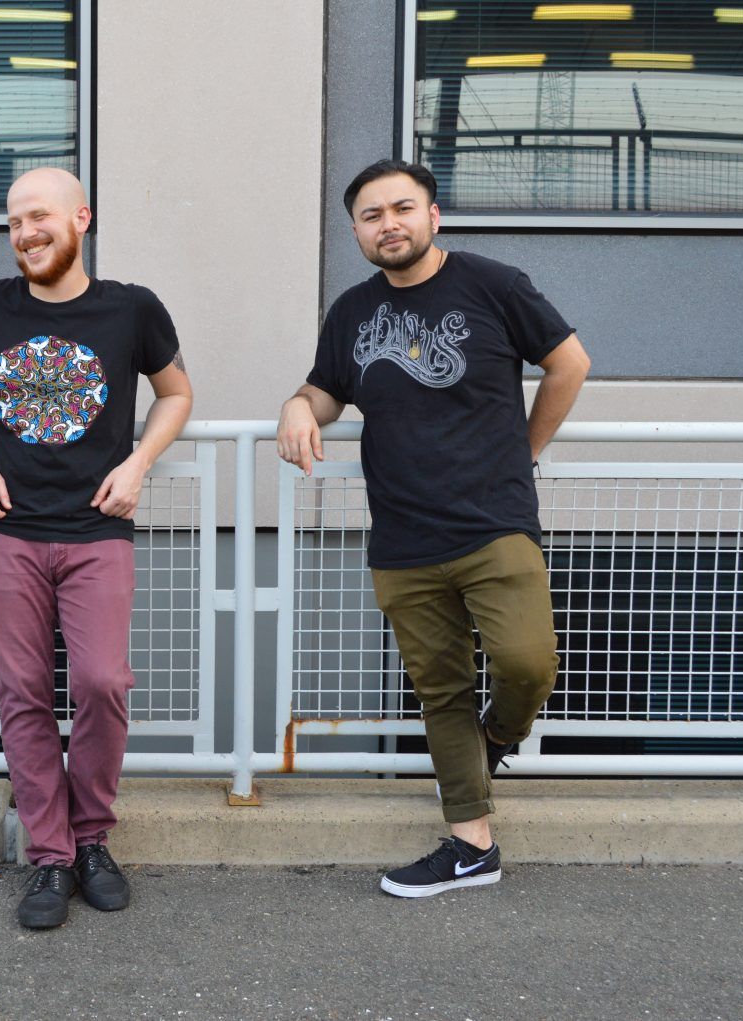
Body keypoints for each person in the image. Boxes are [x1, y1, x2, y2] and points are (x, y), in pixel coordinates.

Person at [276, 159, 590, 898]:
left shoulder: (492, 284)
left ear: (433, 215)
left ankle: (496, 741)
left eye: (402, 208)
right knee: (442, 690)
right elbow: (326, 389)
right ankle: (471, 844)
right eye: (371, 215)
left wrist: (525, 450)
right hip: (403, 540)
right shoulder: (352, 311)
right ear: (355, 231)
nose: (389, 224)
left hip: (493, 523)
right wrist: (297, 404)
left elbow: (568, 362)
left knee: (527, 664)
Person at [0, 167, 193, 929]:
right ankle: (48, 854)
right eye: (14, 222)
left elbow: (176, 392)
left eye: (40, 217)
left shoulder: (132, 308)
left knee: (102, 680)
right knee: (21, 692)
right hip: (8, 526)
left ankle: (91, 838)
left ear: (81, 217)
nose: (26, 233)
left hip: (96, 526)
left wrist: (137, 463)